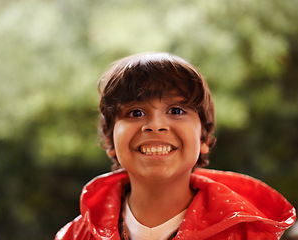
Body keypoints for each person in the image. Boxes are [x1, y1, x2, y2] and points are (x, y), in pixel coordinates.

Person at [55, 52, 296, 240]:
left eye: (176, 110)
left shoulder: (249, 233)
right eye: (135, 112)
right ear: (110, 141)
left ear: (204, 140)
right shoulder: (74, 236)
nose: (155, 125)